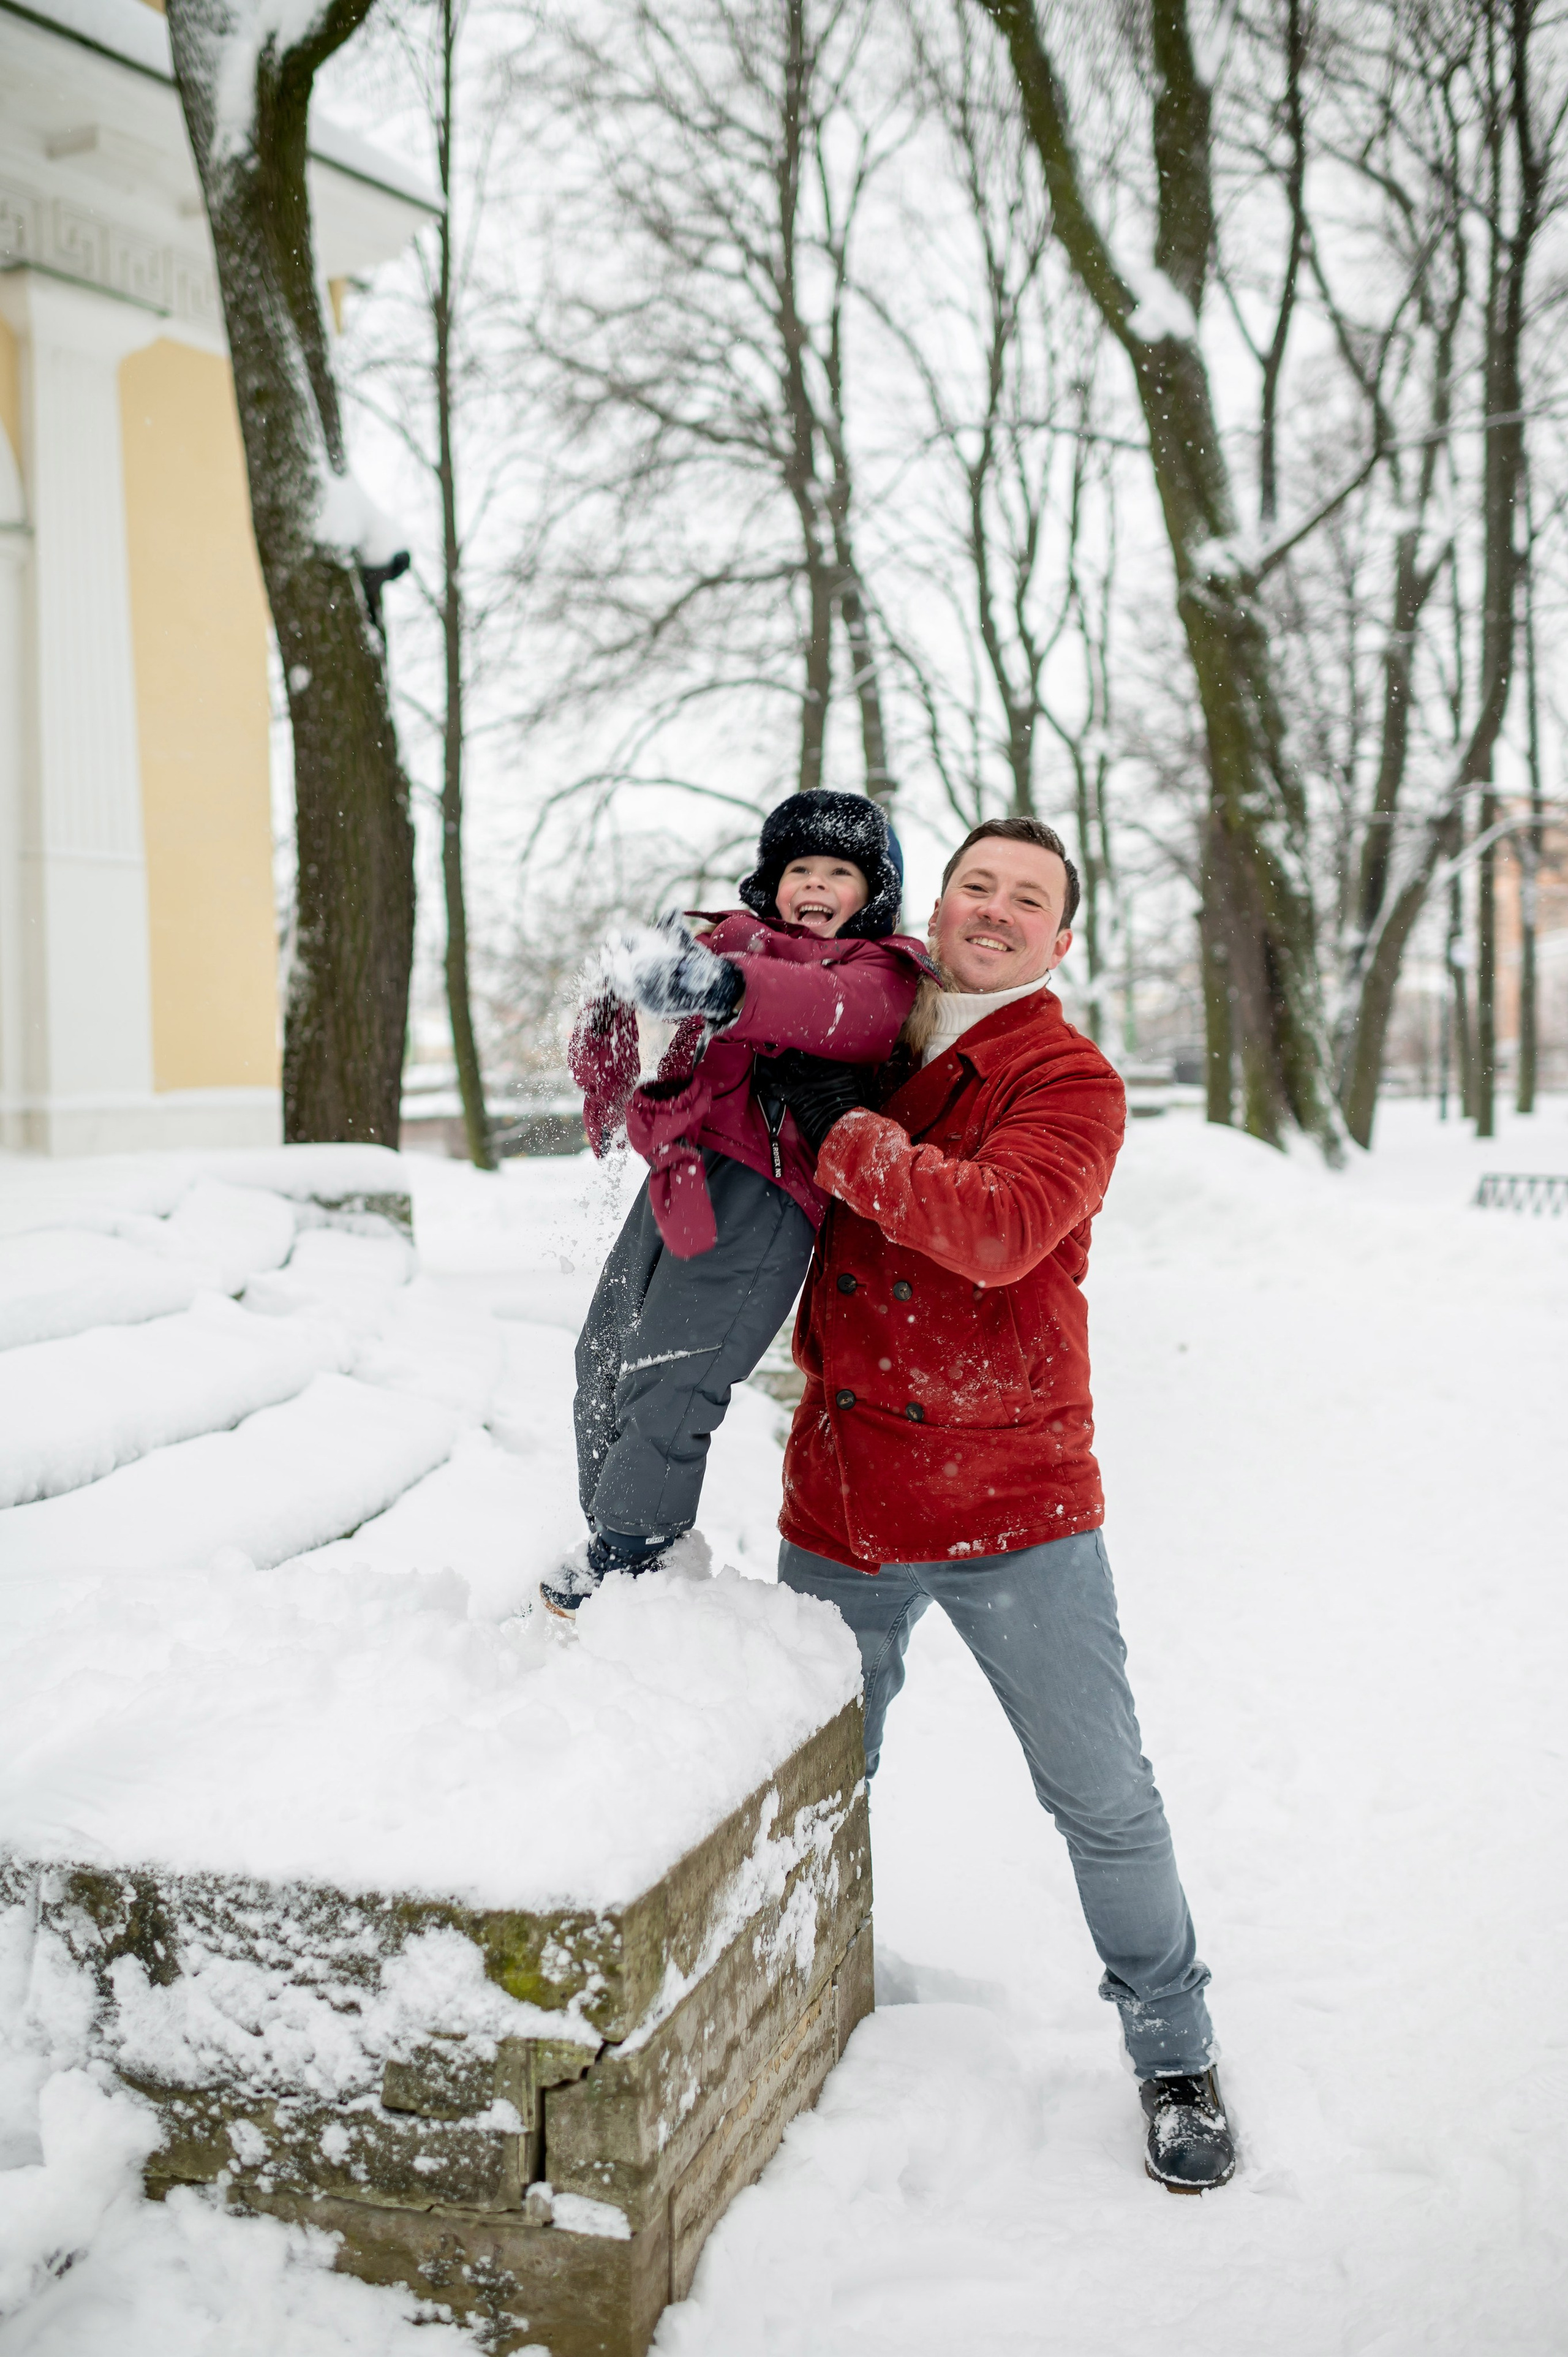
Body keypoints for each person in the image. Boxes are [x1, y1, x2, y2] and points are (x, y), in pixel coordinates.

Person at [767, 815, 1236, 2195]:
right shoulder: (865, 1016)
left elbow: (992, 1228)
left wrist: (846, 1142)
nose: (994, 909)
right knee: (809, 1789)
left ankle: (1173, 2051)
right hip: (842, 1493)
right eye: (976, 883)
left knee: (1100, 1796)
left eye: (1026, 898)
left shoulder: (1069, 1077)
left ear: (1059, 937)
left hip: (1011, 1504)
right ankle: (791, 2017)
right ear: (938, 900)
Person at [547, 790, 930, 1620]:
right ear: (773, 879)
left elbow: (832, 1011)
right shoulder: (726, 938)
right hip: (681, 1177)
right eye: (801, 869)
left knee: (674, 1378)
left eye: (841, 872)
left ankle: (636, 1556)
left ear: (875, 892)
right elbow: (652, 1019)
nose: (818, 885)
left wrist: (718, 985)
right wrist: (633, 986)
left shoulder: (882, 969)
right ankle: (613, 1540)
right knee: (604, 1357)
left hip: (766, 1196)